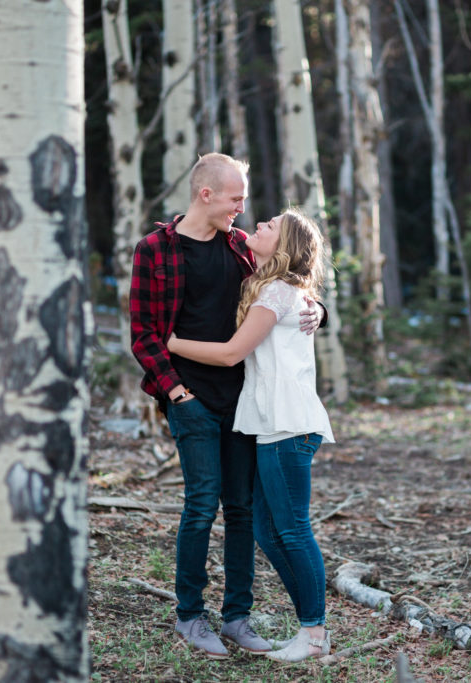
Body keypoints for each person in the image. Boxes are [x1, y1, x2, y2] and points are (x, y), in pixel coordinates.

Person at [129, 154, 322, 659]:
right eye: (236, 197)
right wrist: (175, 393)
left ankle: (237, 617)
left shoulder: (240, 247)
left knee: (240, 510)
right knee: (200, 506)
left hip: (242, 401)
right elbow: (143, 335)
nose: (243, 207)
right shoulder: (155, 250)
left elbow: (291, 281)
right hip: (188, 397)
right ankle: (190, 616)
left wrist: (318, 310)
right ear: (206, 194)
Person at [167, 209, 335, 663]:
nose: (258, 225)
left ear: (283, 247)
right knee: (266, 528)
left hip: (287, 426)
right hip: (271, 426)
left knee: (294, 530)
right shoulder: (275, 286)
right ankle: (310, 623)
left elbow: (230, 354)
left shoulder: (278, 292)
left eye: (270, 226)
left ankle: (313, 632)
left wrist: (173, 343)